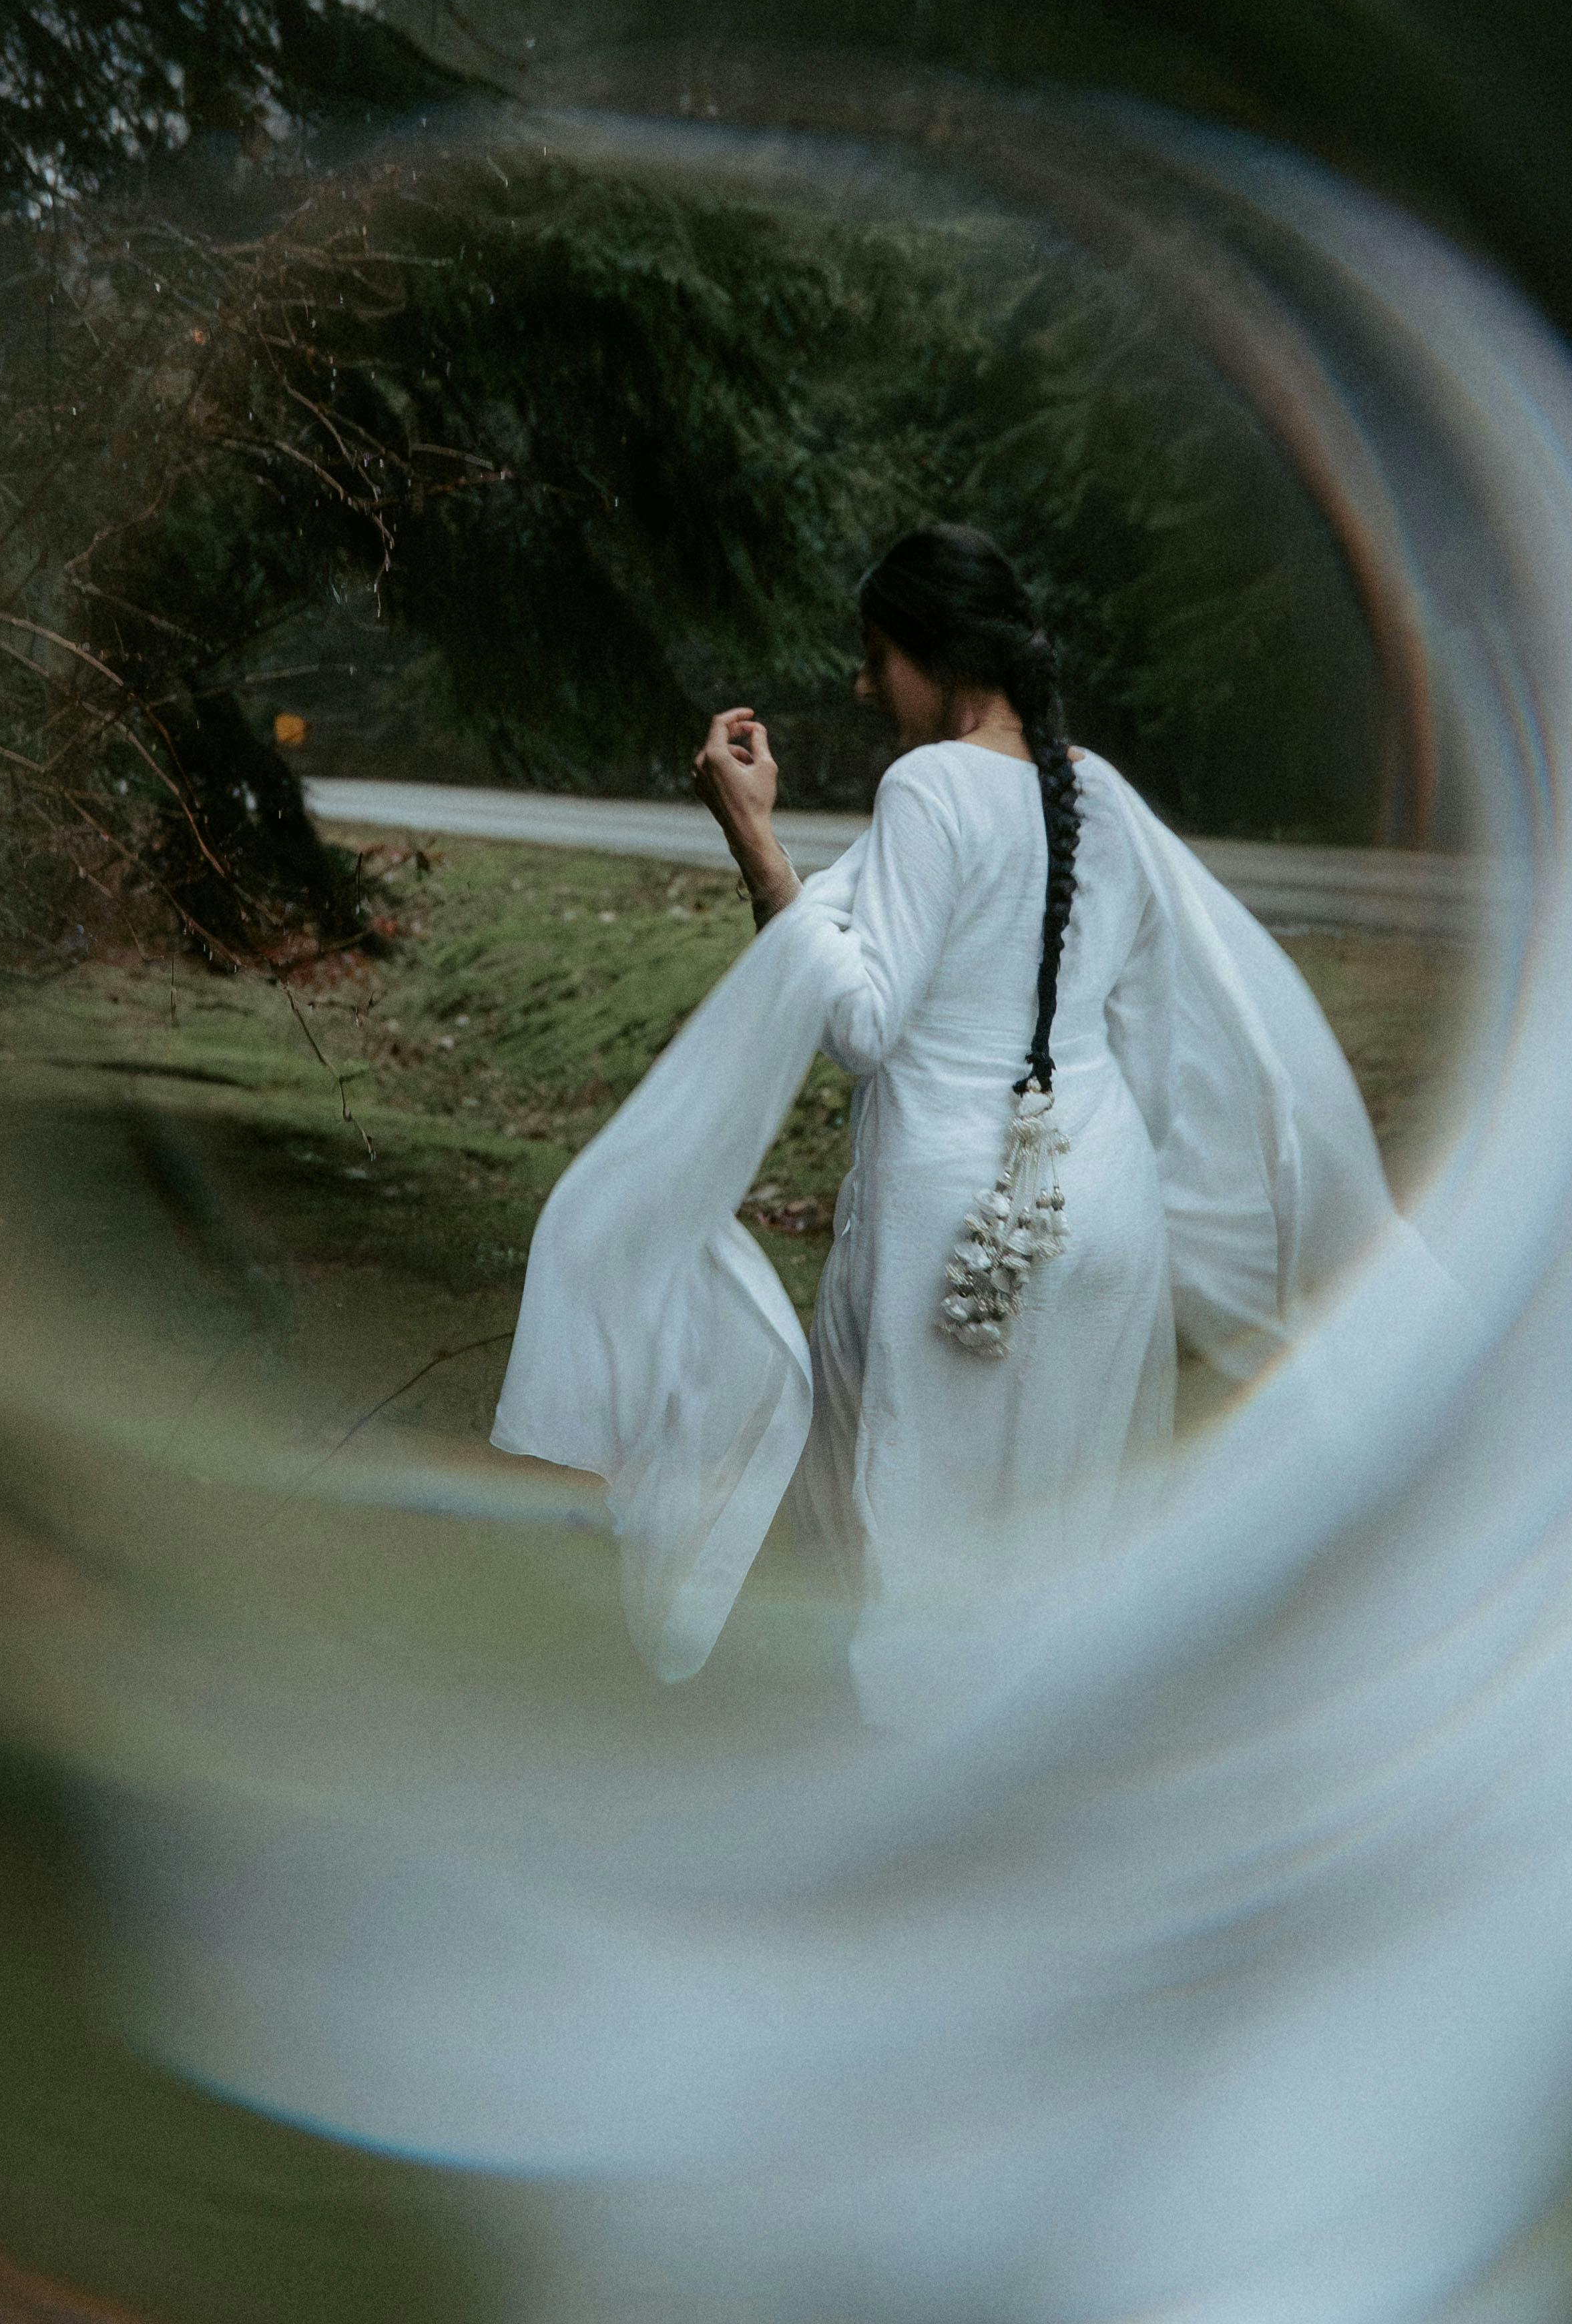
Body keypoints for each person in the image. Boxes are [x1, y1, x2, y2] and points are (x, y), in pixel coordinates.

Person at [489, 521, 1412, 1716]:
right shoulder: (1102, 796)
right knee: (1056, 1540)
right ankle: (1026, 1782)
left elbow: (863, 1024)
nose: (867, 685)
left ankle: (898, 1776)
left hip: (950, 1221)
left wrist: (754, 840)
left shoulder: (925, 785)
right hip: (1103, 1212)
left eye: (879, 656)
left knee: (908, 1539)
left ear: (939, 651)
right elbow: (1141, 1016)